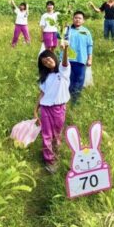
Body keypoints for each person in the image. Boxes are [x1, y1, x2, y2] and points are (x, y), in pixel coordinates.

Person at [34, 40, 71, 174]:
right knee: (46, 134)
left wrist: (65, 49)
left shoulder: (63, 73)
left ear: (54, 58)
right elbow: (42, 94)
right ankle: (49, 160)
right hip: (45, 109)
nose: (48, 63)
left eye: (49, 59)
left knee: (57, 133)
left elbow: (65, 63)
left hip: (59, 108)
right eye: (44, 63)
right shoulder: (46, 77)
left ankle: (56, 152)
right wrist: (35, 111)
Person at [64, 11, 93, 104]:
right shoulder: (67, 30)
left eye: (80, 18)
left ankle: (75, 101)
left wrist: (89, 58)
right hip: (68, 60)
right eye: (75, 17)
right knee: (69, 80)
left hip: (81, 60)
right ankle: (66, 99)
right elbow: (58, 37)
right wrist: (62, 27)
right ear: (73, 18)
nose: (77, 19)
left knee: (79, 80)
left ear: (83, 20)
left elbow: (89, 45)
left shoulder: (86, 31)